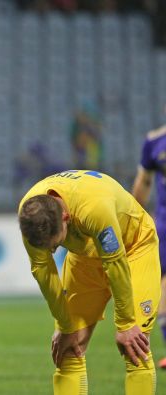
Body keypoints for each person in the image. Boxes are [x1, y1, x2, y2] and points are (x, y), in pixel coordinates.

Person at [18, 169, 161, 395]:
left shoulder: (94, 207)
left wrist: (125, 324)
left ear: (66, 217)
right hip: (85, 256)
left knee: (135, 346)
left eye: (56, 245)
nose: (53, 250)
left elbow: (115, 263)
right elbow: (43, 272)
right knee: (68, 349)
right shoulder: (30, 214)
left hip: (133, 248)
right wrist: (65, 326)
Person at [132, 124, 166, 370]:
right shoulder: (155, 141)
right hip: (165, 225)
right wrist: (135, 217)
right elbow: (144, 181)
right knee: (162, 283)